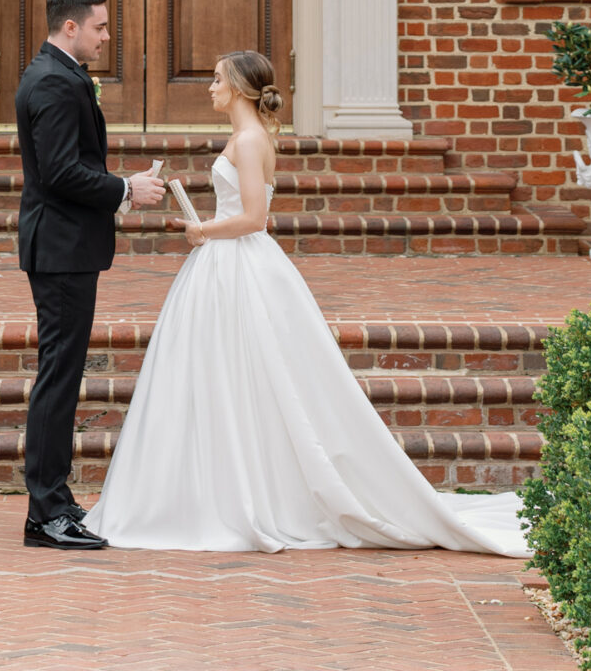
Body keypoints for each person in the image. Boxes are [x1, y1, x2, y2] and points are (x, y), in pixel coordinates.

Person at [85, 50, 531, 555]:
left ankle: (250, 497)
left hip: (238, 262)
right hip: (226, 266)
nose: (209, 87)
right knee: (226, 373)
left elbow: (255, 218)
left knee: (254, 371)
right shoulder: (244, 138)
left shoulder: (250, 141)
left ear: (237, 87)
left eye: (215, 79)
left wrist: (200, 228)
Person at [14, 0, 165, 550]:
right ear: (70, 27)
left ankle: (53, 501)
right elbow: (58, 173)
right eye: (100, 27)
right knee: (58, 377)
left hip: (63, 247)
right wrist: (127, 189)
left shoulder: (58, 74)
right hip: (59, 249)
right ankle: (46, 512)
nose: (107, 36)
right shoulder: (53, 81)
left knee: (63, 374)